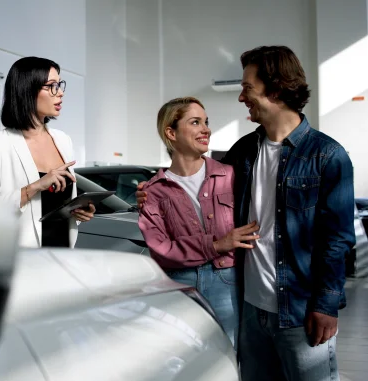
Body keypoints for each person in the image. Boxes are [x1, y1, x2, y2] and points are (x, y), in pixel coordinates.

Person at [137, 46, 355, 381]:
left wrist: (325, 305)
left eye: (247, 88)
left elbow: (337, 240)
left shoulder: (327, 155)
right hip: (251, 311)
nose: (241, 98)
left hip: (298, 312)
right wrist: (152, 191)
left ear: (276, 88)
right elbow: (199, 180)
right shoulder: (244, 152)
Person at [138, 96, 259, 348]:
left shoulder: (231, 176)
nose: (206, 129)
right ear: (171, 132)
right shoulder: (153, 191)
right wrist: (216, 245)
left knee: (229, 356)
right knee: (184, 356)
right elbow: (161, 251)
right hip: (179, 283)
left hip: (228, 280)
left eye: (206, 122)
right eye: (195, 122)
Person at [0, 56, 95, 248]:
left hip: (64, 252)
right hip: (22, 256)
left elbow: (62, 204)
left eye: (60, 85)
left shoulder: (63, 140)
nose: (60, 93)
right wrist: (36, 186)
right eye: (52, 86)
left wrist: (80, 211)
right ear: (27, 90)